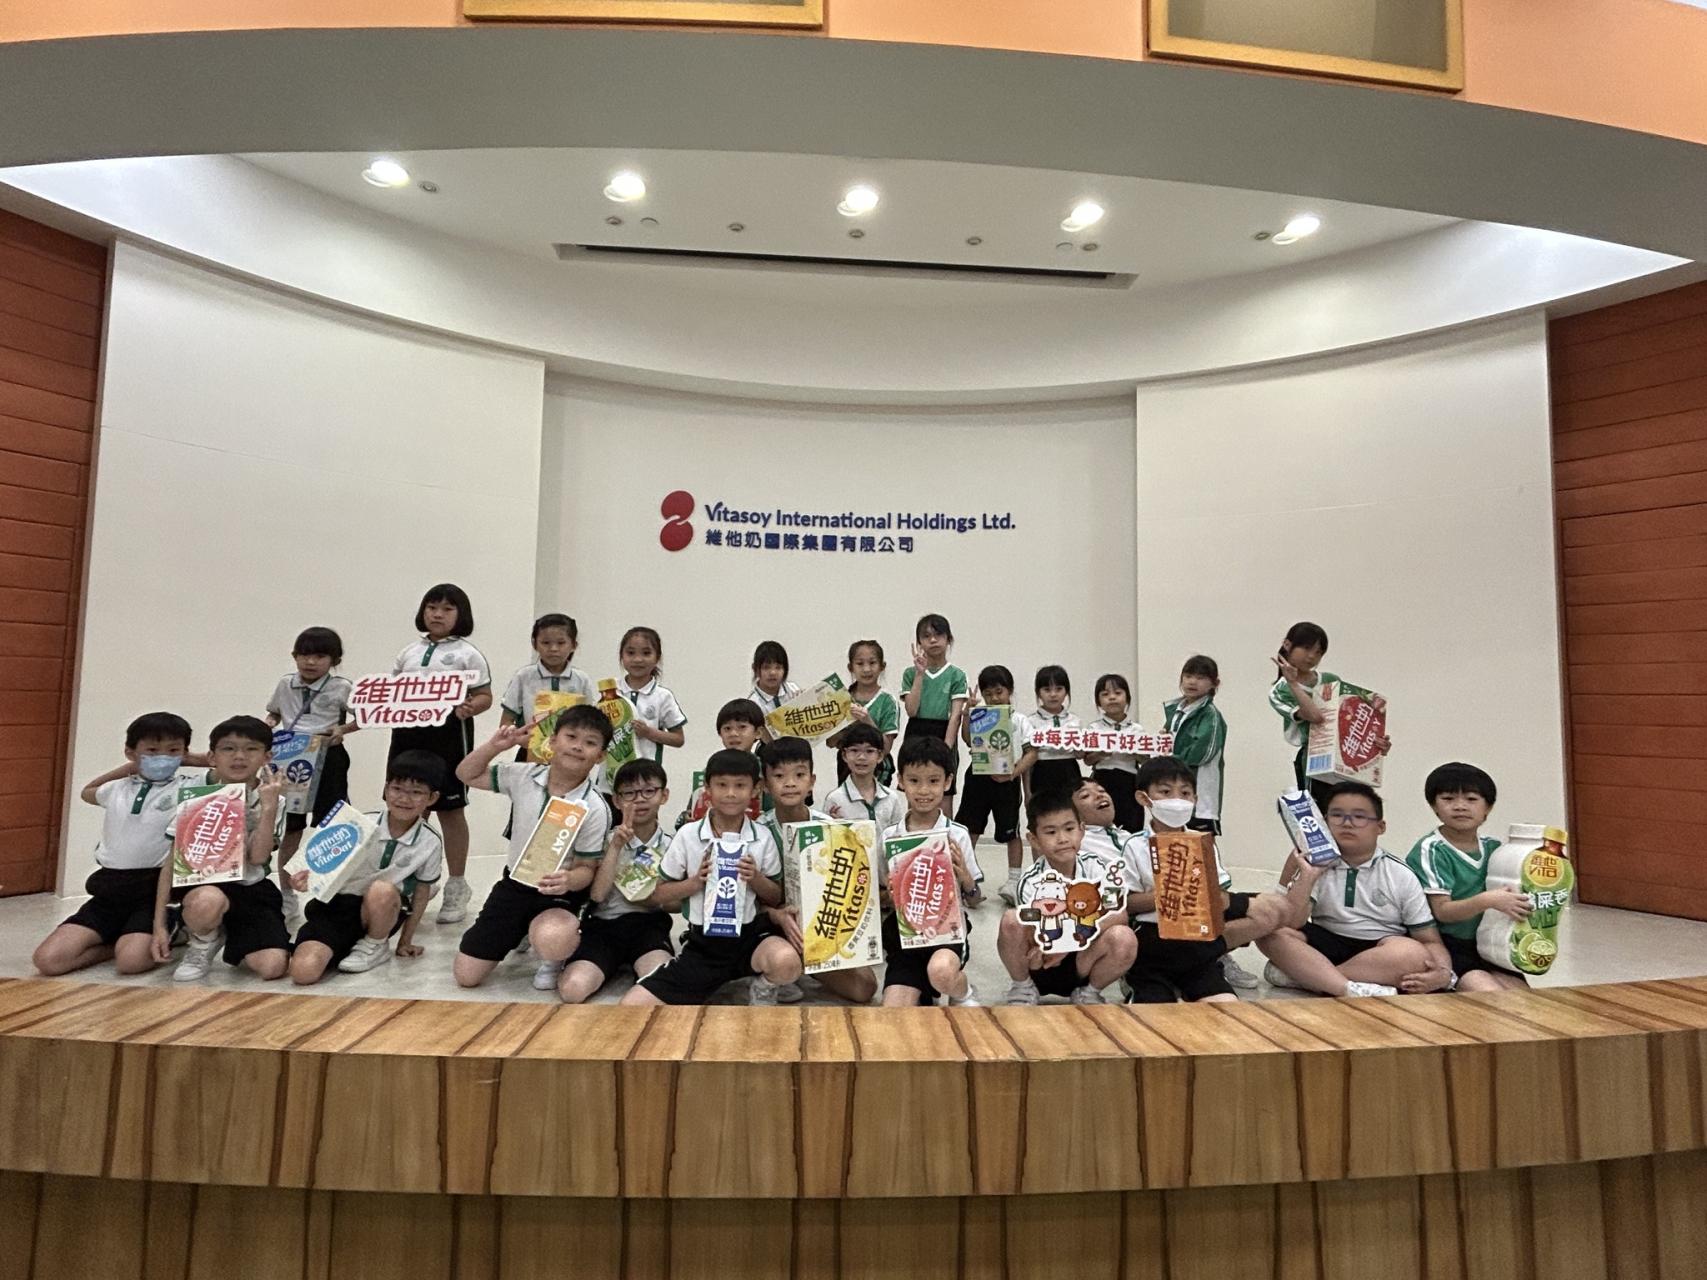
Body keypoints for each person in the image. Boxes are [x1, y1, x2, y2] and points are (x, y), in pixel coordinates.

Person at [451, 705, 613, 994]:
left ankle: (554, 957)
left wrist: (568, 880)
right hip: (515, 885)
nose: (578, 747)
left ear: (600, 756)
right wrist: (495, 746)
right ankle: (522, 931)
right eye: (571, 737)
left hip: (558, 895)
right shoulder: (524, 776)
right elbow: (465, 774)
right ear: (553, 741)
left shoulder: (595, 807)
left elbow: (587, 870)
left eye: (590, 743)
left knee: (554, 938)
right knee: (467, 976)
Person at [622, 748, 801, 1006]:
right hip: (703, 945)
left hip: (749, 939)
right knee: (633, 1005)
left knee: (787, 962)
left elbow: (775, 896)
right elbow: (658, 893)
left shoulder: (762, 836)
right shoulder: (688, 835)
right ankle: (716, 983)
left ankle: (763, 986)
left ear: (755, 789)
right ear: (707, 788)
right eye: (722, 785)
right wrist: (694, 883)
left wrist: (755, 877)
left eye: (740, 785)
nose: (731, 793)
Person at [1118, 758, 1302, 1003]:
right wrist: (1172, 892)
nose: (1177, 800)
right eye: (1165, 792)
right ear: (1144, 798)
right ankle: (1139, 983)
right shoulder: (1134, 846)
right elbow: (1128, 904)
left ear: (1195, 799)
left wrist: (1207, 896)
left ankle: (1215, 961)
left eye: (1185, 793)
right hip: (1153, 945)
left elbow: (1220, 897)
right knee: (1154, 1014)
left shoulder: (1203, 843)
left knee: (1226, 1009)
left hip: (1197, 945)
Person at [31, 712, 199, 977]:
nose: (162, 757)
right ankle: (118, 943)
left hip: (152, 893)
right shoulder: (117, 788)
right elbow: (87, 791)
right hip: (110, 891)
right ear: (131, 752)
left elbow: (223, 767)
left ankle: (174, 928)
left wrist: (188, 759)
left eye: (173, 751)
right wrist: (131, 767)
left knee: (131, 963)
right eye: (152, 751)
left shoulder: (189, 787)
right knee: (48, 961)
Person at [1258, 781, 1455, 997]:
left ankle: (1310, 979)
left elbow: (1429, 939)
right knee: (1270, 930)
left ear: (1380, 827)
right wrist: (1307, 876)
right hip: (1326, 943)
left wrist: (1444, 974)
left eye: (1359, 817)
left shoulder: (1400, 874)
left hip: (1379, 951)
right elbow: (1293, 922)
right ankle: (1345, 987)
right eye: (1337, 815)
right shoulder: (1317, 863)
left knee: (1413, 955)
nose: (1347, 823)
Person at [286, 750, 444, 983]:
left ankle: (375, 944)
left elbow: (421, 893)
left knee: (382, 889)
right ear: (386, 789)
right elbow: (320, 864)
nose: (404, 798)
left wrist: (405, 941)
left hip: (382, 911)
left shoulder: (430, 841)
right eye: (397, 789)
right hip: (337, 907)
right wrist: (303, 880)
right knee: (303, 973)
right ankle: (344, 946)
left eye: (416, 792)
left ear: (432, 798)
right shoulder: (357, 823)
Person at [389, 583, 492, 925]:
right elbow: (389, 693)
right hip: (407, 735)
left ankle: (457, 885)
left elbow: (485, 696)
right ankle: (416, 878)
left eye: (448, 609)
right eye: (432, 607)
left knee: (449, 810)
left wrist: (470, 707)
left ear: (461, 615)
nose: (438, 614)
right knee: (408, 808)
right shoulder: (408, 652)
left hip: (448, 737)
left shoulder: (468, 654)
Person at [161, 715, 291, 983]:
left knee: (272, 967)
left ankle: (233, 935)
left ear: (267, 756)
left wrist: (268, 809)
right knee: (208, 901)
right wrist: (158, 924)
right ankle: (203, 938)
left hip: (250, 887)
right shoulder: (197, 792)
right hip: (205, 885)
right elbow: (171, 861)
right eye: (228, 748)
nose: (239, 757)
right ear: (212, 756)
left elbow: (258, 857)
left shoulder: (273, 797)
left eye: (251, 749)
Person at [757, 735, 880, 1005]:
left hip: (821, 925)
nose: (790, 783)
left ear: (811, 781)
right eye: (779, 776)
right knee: (780, 957)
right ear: (764, 785)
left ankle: (800, 965)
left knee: (865, 988)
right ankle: (776, 971)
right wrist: (776, 915)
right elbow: (747, 902)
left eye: (799, 775)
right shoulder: (757, 833)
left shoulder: (831, 827)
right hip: (769, 925)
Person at [997, 790, 1137, 1005]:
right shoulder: (1030, 881)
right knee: (1011, 919)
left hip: (1083, 960)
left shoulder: (1097, 867)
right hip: (1043, 961)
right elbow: (1034, 930)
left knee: (1124, 937)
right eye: (1051, 832)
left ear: (1082, 830)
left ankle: (1089, 992)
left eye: (1069, 829)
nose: (1062, 839)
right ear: (1034, 840)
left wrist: (1072, 940)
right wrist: (1055, 942)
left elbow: (1119, 914)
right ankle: (1023, 987)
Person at [559, 759, 677, 1003]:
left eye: (649, 791)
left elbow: (676, 905)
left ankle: (632, 964)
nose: (639, 799)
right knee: (573, 989)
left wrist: (655, 898)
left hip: (649, 926)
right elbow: (597, 895)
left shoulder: (673, 845)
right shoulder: (603, 840)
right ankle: (597, 963)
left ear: (664, 795)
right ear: (616, 800)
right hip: (603, 926)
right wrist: (615, 847)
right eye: (629, 793)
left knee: (659, 984)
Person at [1405, 762, 1530, 992]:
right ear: (1434, 806)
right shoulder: (1431, 850)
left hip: (1491, 943)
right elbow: (1442, 912)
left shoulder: (1494, 848)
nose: (1460, 806)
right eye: (1448, 798)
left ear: (1488, 808)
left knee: (1523, 998)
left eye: (1472, 799)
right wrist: (1488, 900)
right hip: (1448, 945)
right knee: (1489, 994)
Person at [878, 736, 982, 1007]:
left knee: (942, 972)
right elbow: (881, 896)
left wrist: (965, 877)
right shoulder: (890, 837)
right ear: (900, 781)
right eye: (914, 780)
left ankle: (963, 992)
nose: (923, 790)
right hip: (905, 935)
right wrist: (889, 894)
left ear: (947, 782)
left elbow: (974, 897)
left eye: (933, 781)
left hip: (947, 933)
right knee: (892, 1013)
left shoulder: (957, 835)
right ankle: (924, 990)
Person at [264, 626, 355, 928]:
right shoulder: (285, 684)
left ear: (334, 660)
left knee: (331, 826)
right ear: (294, 656)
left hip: (328, 756)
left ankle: (330, 892)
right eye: (304, 655)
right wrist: (267, 727)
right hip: (290, 757)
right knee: (291, 827)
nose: (310, 662)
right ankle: (287, 894)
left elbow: (365, 716)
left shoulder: (342, 686)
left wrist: (342, 729)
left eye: (319, 656)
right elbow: (275, 714)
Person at [958, 665, 1026, 908]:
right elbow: (968, 740)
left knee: (1011, 831)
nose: (994, 698)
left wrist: (1013, 774)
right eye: (988, 694)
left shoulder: (1019, 720)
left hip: (1007, 781)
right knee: (970, 828)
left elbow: (1031, 752)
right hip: (978, 777)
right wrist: (967, 714)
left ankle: (1014, 882)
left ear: (1010, 691)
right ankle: (966, 881)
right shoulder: (980, 715)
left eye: (999, 692)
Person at [899, 614, 969, 819]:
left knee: (944, 796)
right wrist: (920, 674)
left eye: (938, 635)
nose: (933, 640)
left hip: (944, 733)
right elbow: (911, 710)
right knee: (915, 793)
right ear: (919, 642)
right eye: (926, 636)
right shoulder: (910, 673)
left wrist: (946, 748)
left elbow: (955, 716)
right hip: (916, 732)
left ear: (948, 639)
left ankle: (944, 837)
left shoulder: (956, 675)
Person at [1161, 655, 1228, 835]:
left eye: (1200, 678)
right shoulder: (1176, 711)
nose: (1192, 682)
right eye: (1188, 676)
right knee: (1174, 842)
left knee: (1200, 844)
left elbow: (1202, 753)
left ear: (1214, 683)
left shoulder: (1210, 715)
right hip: (1174, 790)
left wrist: (1169, 761)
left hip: (1200, 794)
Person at [674, 699, 768, 826]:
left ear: (758, 732)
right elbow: (695, 804)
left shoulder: (765, 771)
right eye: (727, 728)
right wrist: (688, 818)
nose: (733, 733)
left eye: (742, 727)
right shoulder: (712, 768)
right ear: (720, 733)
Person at [499, 612, 595, 736]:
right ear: (534, 644)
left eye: (561, 643)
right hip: (530, 746)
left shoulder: (582, 680)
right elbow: (506, 722)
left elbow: (591, 721)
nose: (553, 648)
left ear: (573, 645)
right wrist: (520, 738)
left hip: (573, 747)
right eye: (545, 643)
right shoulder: (523, 677)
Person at [826, 639, 898, 786]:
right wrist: (846, 725)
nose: (866, 669)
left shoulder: (888, 701)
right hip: (847, 766)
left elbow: (886, 748)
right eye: (860, 664)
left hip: (878, 768)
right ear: (850, 667)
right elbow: (830, 742)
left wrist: (867, 721)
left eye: (872, 663)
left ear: (882, 666)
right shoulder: (841, 699)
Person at [615, 626, 688, 771]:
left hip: (647, 774)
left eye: (646, 653)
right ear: (621, 656)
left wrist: (649, 732)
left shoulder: (663, 696)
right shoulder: (611, 690)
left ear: (657, 657)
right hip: (612, 772)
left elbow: (678, 739)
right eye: (630, 653)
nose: (638, 659)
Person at [1016, 664, 1082, 813]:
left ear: (1066, 691)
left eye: (1059, 689)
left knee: (1070, 814)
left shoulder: (1075, 721)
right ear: (1038, 693)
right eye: (1047, 689)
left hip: (1069, 772)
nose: (1053, 694)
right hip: (1041, 772)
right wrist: (1027, 792)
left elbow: (1079, 755)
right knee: (1043, 814)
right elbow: (1027, 761)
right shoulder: (1030, 721)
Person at [1084, 673, 1146, 832]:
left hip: (1130, 781)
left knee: (1131, 823)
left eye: (1118, 693)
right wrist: (1101, 754)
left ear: (1127, 698)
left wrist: (1135, 752)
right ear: (1098, 702)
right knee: (1102, 822)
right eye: (1105, 694)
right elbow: (1087, 760)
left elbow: (1146, 760)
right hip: (1103, 779)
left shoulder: (1136, 729)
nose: (1112, 698)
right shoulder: (1094, 728)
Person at [823, 723, 906, 834]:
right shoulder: (835, 799)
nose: (861, 757)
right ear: (844, 755)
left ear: (880, 756)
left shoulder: (891, 798)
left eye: (869, 751)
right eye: (854, 750)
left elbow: (898, 836)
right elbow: (827, 837)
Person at [748, 640, 800, 741]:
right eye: (766, 668)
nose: (772, 672)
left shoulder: (793, 689)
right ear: (755, 669)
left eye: (778, 667)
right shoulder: (753, 703)